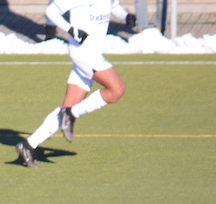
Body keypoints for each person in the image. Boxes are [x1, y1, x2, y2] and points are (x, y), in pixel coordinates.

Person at [16, 0, 136, 167]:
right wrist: (71, 29)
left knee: (68, 105)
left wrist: (125, 15)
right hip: (84, 53)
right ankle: (71, 113)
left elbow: (113, 5)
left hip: (92, 53)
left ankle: (28, 145)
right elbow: (51, 11)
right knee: (117, 90)